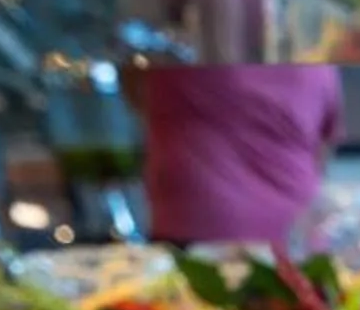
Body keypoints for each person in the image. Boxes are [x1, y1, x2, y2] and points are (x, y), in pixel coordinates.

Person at [134, 64, 342, 247]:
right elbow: (323, 148)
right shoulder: (318, 60)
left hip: (201, 229)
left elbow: (136, 90)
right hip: (300, 233)